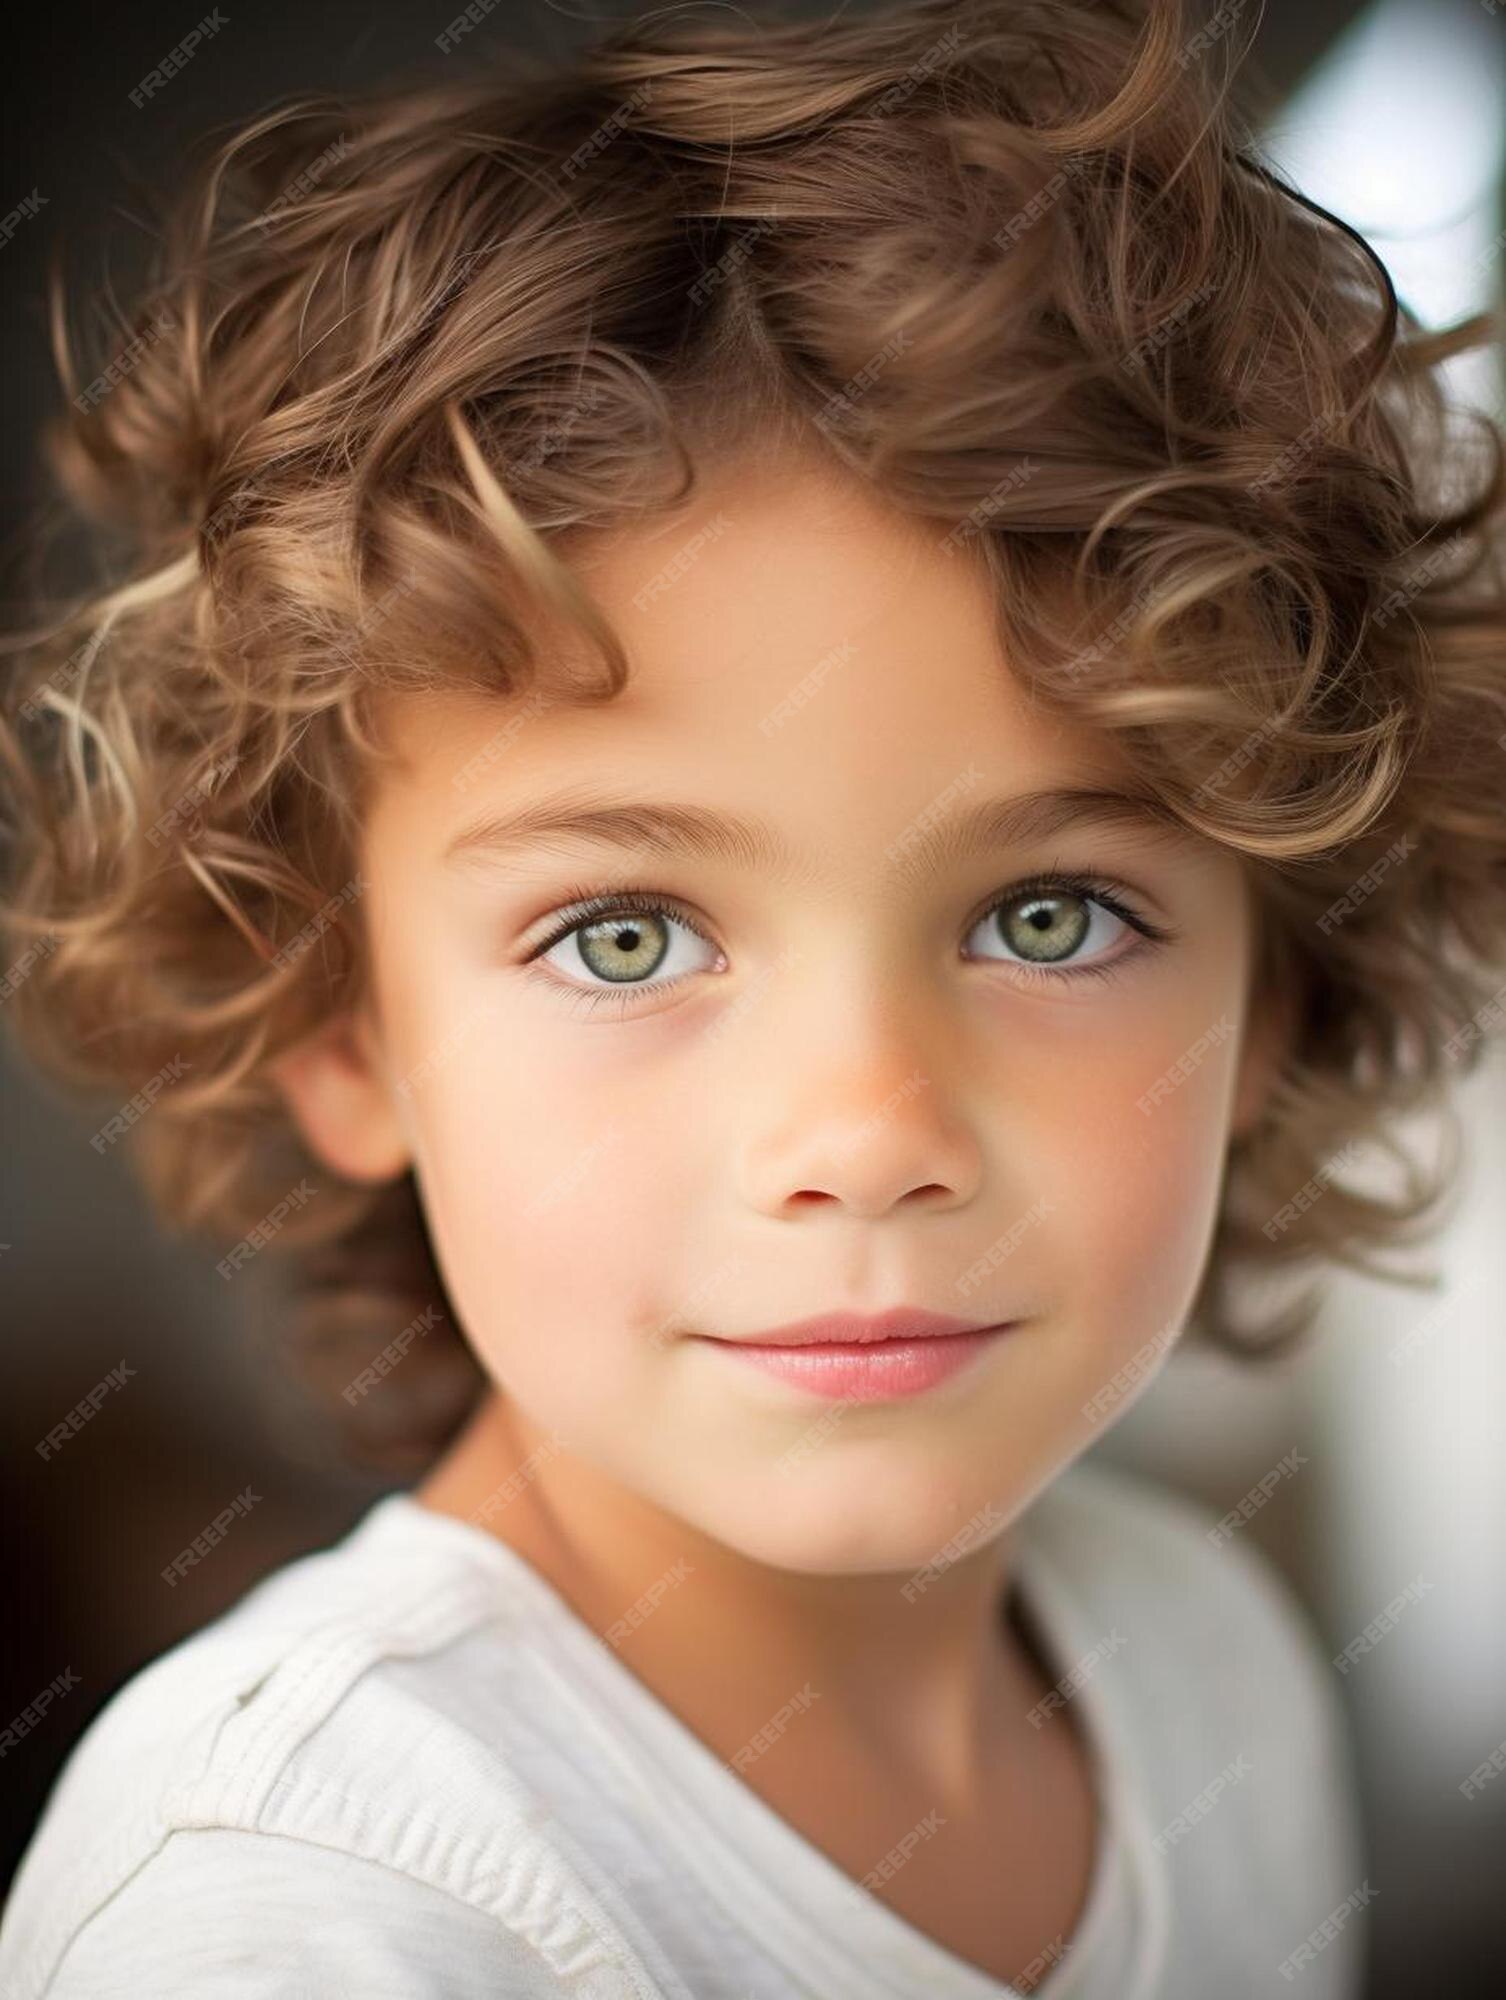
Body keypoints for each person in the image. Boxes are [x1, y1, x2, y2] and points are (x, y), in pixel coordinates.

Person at [2, 0, 1503, 1993]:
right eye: (625, 935)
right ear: (343, 1030)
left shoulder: (1205, 1658)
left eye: (1051, 917)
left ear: (1279, 1000)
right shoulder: (300, 1899)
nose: (868, 1132)